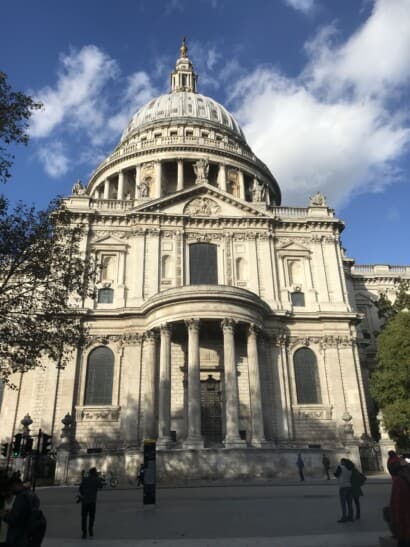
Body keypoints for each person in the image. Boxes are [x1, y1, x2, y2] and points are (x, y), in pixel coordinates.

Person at [390, 462, 410, 547]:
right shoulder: (399, 481)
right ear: (399, 471)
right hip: (404, 518)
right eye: (404, 469)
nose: (407, 470)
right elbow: (396, 502)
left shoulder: (403, 480)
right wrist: (397, 519)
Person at [79, 467, 100, 539]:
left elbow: (80, 489)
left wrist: (84, 495)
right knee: (92, 516)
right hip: (92, 501)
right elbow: (100, 486)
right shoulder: (96, 480)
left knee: (84, 518)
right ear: (94, 473)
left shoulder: (85, 479)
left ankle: (84, 533)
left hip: (84, 501)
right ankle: (90, 530)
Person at [334, 458, 353, 522]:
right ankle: (351, 517)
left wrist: (334, 472)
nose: (340, 462)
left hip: (343, 487)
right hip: (350, 486)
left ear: (343, 462)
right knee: (350, 503)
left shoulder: (341, 467)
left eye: (341, 461)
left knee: (343, 504)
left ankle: (344, 518)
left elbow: (336, 475)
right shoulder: (350, 468)